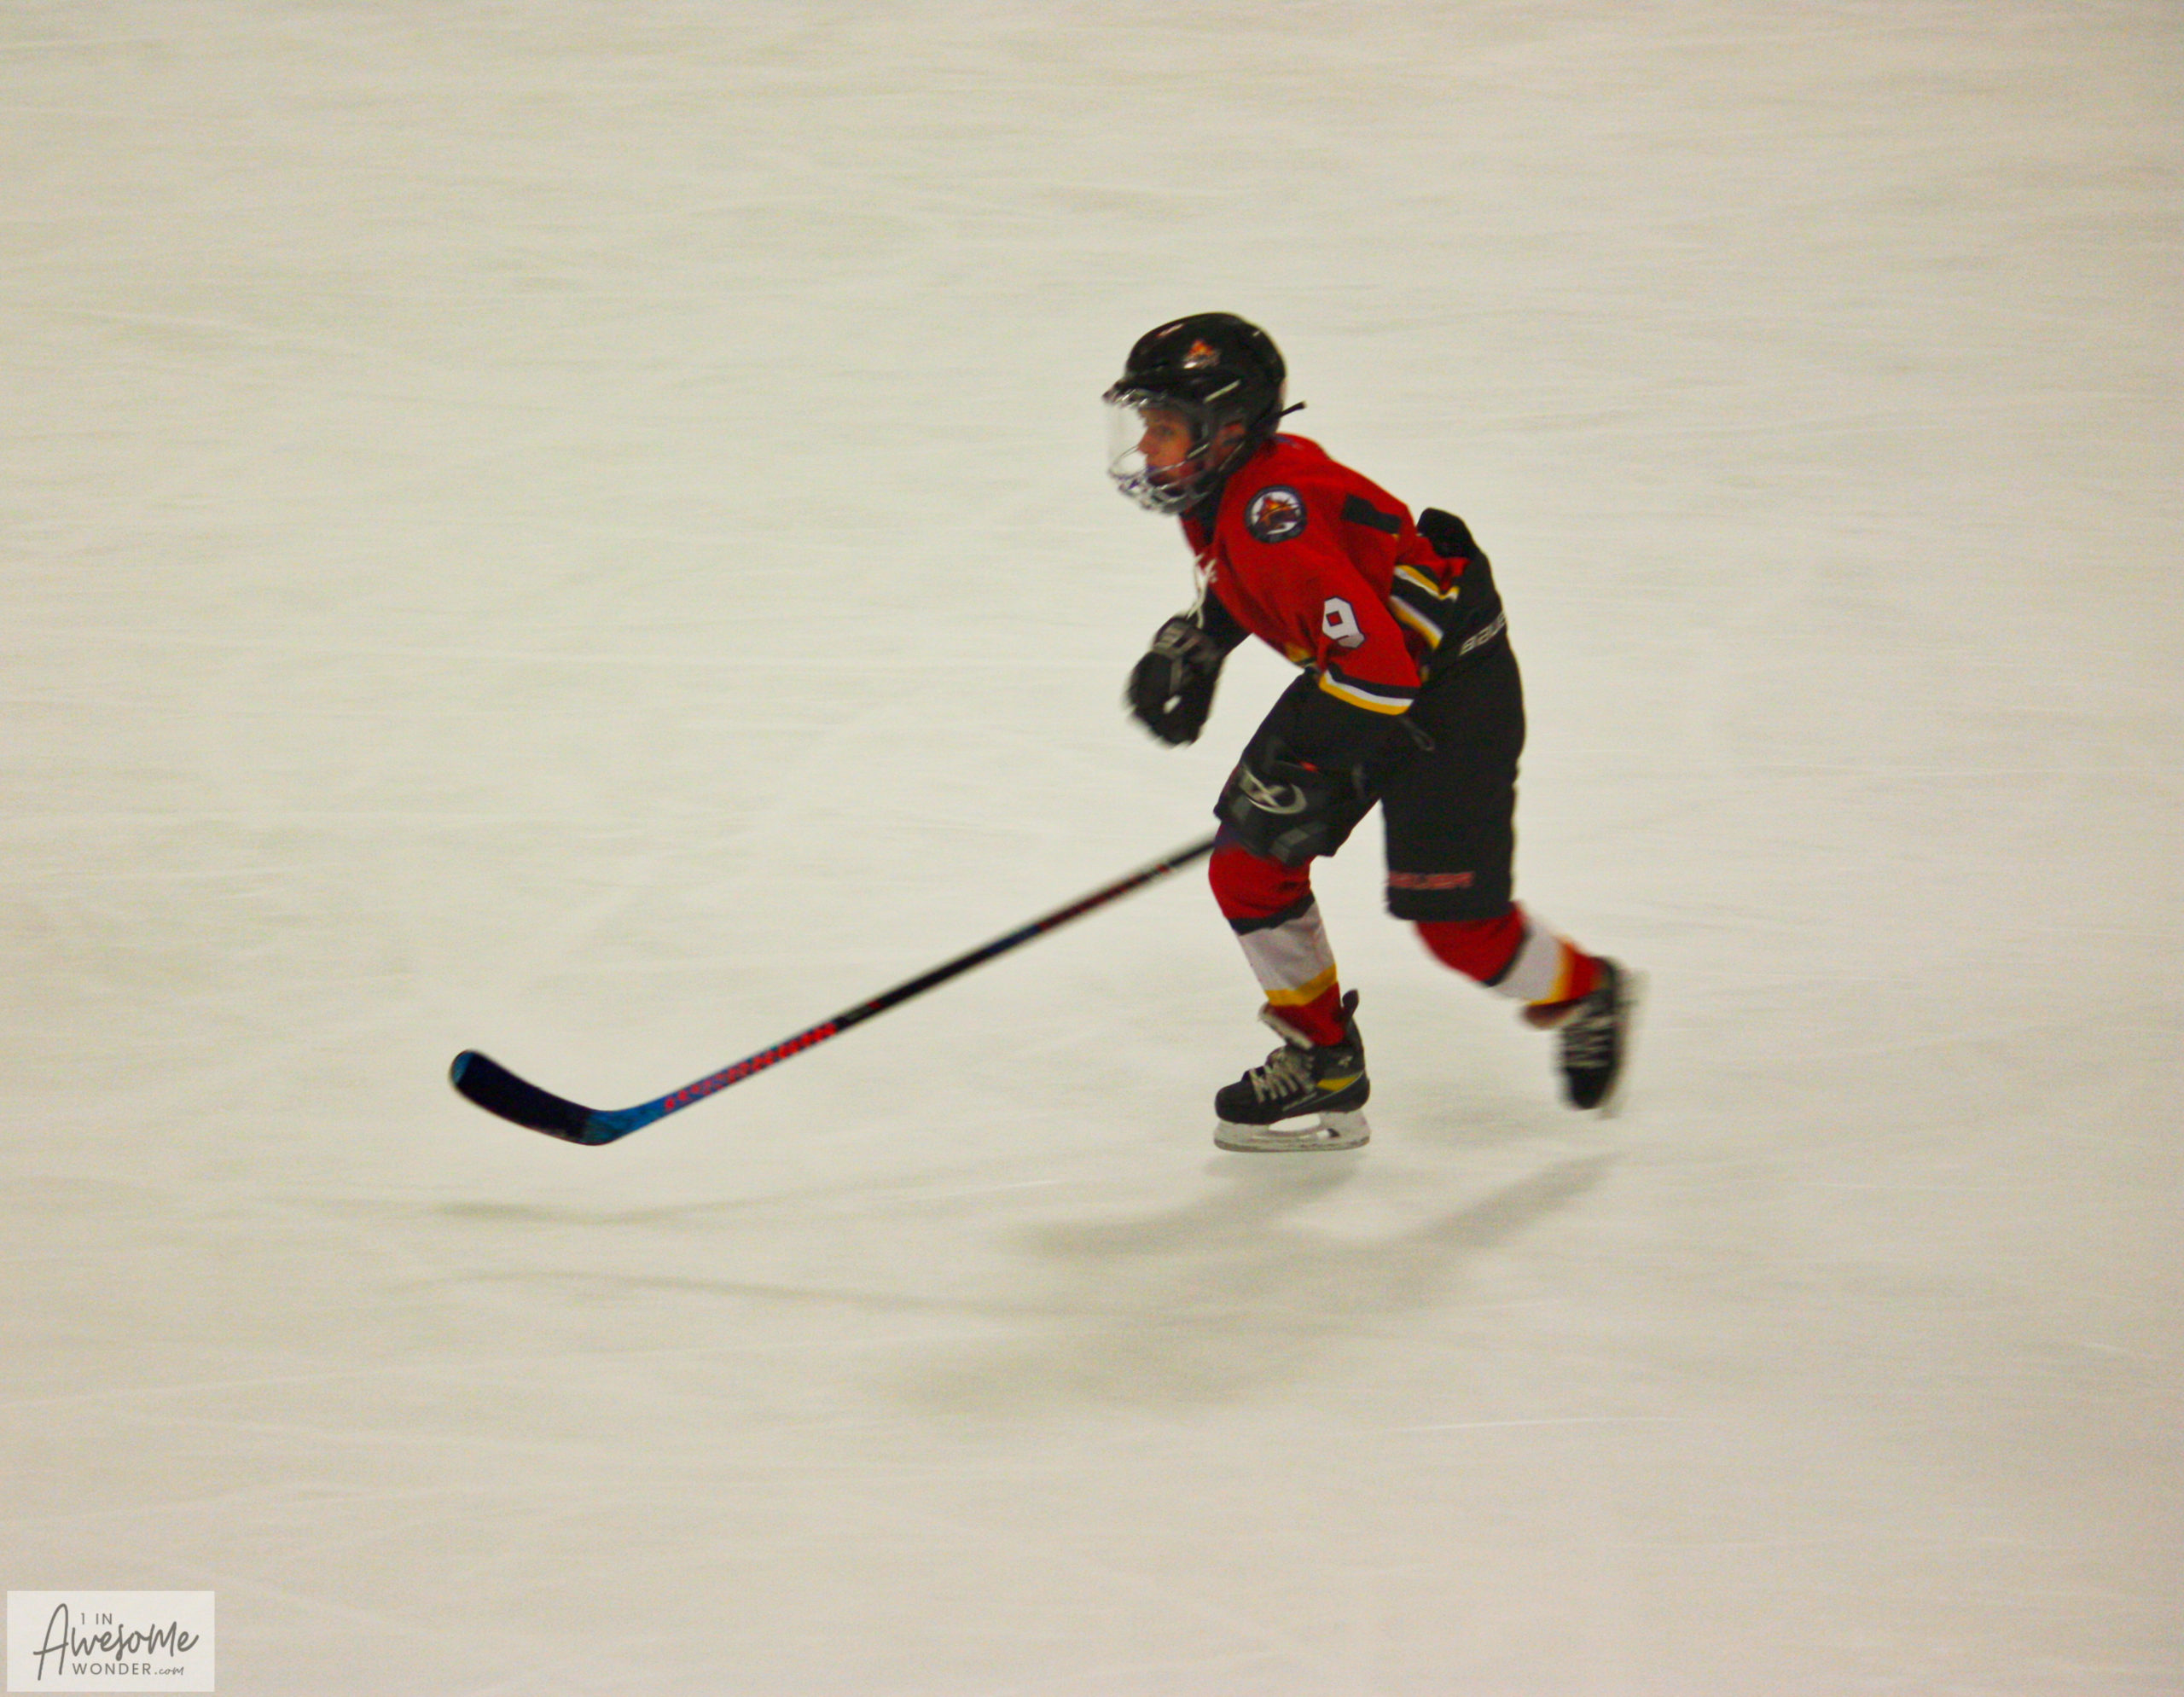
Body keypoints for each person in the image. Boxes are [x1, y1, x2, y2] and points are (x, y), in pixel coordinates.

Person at [1106, 312, 1637, 1151]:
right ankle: (1323, 1057)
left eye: (1164, 427)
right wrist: (1200, 640)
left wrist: (1304, 771)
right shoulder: (1220, 492)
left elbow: (1380, 672)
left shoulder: (1269, 513)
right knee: (1248, 867)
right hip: (1366, 678)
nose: (1146, 447)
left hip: (1451, 695)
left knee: (1459, 930)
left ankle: (1587, 990)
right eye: (1146, 424)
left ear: (1228, 431)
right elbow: (1271, 592)